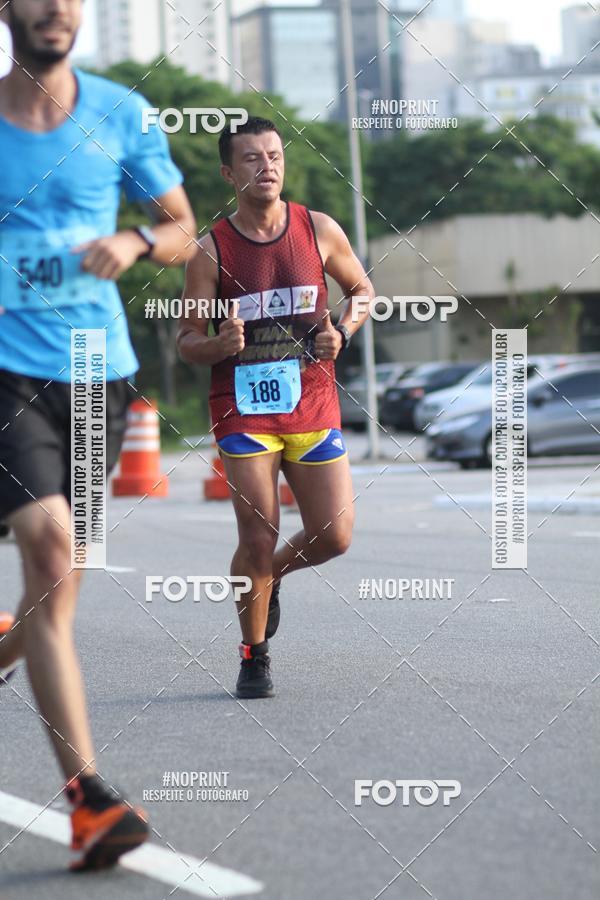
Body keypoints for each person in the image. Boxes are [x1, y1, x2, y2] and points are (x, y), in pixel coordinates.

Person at [0, 0, 196, 870]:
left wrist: (138, 237)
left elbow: (187, 232)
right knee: (47, 552)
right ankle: (91, 802)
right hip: (5, 368)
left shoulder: (123, 111)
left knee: (61, 589)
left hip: (97, 375)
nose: (57, 9)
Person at [177, 117, 374, 699]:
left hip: (312, 402)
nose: (267, 166)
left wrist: (342, 328)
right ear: (228, 173)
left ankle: (269, 578)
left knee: (334, 536)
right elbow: (186, 341)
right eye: (251, 159)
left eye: (275, 156)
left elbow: (362, 291)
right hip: (243, 408)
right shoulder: (210, 251)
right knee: (258, 534)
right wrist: (219, 344)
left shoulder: (318, 229)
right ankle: (253, 656)